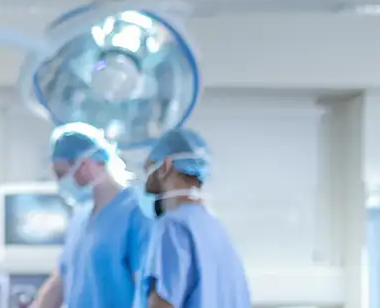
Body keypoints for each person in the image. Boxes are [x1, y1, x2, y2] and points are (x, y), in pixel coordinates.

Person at [30, 123, 152, 308]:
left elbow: (150, 291)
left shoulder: (137, 213)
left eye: (62, 174)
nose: (61, 183)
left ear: (86, 163)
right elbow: (60, 281)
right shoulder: (81, 217)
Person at [135, 129, 250, 308]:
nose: (146, 188)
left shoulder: (172, 227)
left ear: (165, 166)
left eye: (149, 171)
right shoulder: (217, 229)